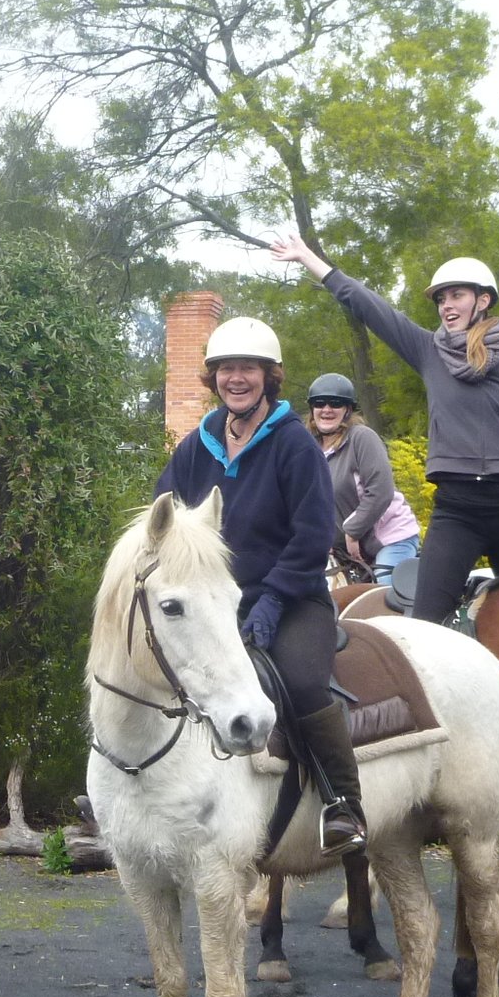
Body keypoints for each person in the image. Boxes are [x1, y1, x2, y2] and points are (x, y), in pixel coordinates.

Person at [270, 236, 499, 625]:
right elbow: (369, 307)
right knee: (424, 623)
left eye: (456, 295)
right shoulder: (428, 352)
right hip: (457, 510)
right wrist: (309, 259)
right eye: (441, 299)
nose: (446, 306)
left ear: (483, 300)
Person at [155, 315, 363, 856]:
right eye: (225, 369)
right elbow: (166, 516)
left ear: (269, 376)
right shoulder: (196, 446)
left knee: (302, 680)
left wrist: (273, 596)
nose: (236, 378)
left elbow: (315, 533)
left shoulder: (294, 444)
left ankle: (344, 805)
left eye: (247, 368)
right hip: (213, 603)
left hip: (291, 599)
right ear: (214, 378)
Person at [306, 372, 421, 585]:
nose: (327, 409)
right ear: (312, 410)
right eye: (320, 403)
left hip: (390, 539)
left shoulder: (361, 437)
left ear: (348, 410)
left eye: (336, 404)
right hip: (345, 550)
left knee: (383, 593)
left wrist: (352, 531)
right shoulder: (309, 449)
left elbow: (381, 491)